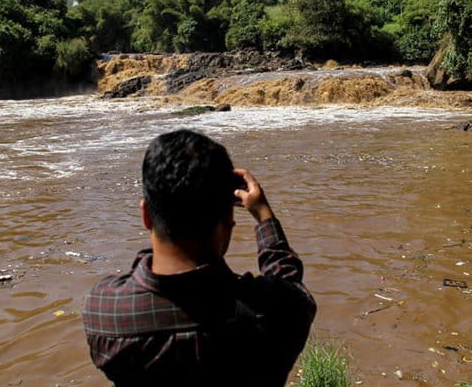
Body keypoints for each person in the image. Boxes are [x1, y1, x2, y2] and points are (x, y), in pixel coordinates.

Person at [82, 129, 316, 387]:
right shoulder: (275, 313)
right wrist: (263, 215)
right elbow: (291, 284)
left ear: (146, 216)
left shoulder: (104, 311)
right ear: (229, 220)